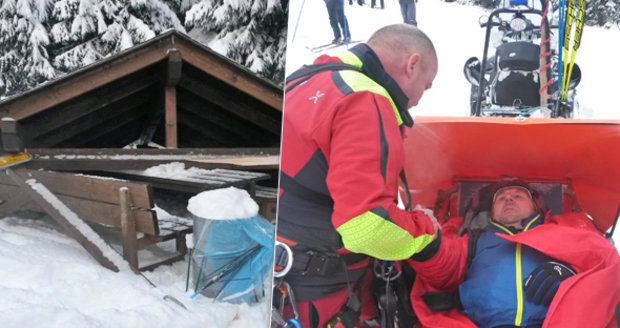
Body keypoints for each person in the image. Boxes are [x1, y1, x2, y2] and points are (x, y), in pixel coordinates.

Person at [275, 24, 439, 327]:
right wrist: (427, 230)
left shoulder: (305, 78)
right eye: (426, 86)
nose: (419, 99)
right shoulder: (365, 99)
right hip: (314, 297)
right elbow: (365, 226)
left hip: (281, 275)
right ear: (412, 64)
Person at [408, 180, 620, 327]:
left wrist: (568, 274)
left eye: (518, 195)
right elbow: (445, 263)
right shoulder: (473, 240)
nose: (509, 199)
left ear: (535, 206)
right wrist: (429, 241)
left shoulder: (565, 232)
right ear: (492, 212)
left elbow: (603, 264)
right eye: (501, 198)